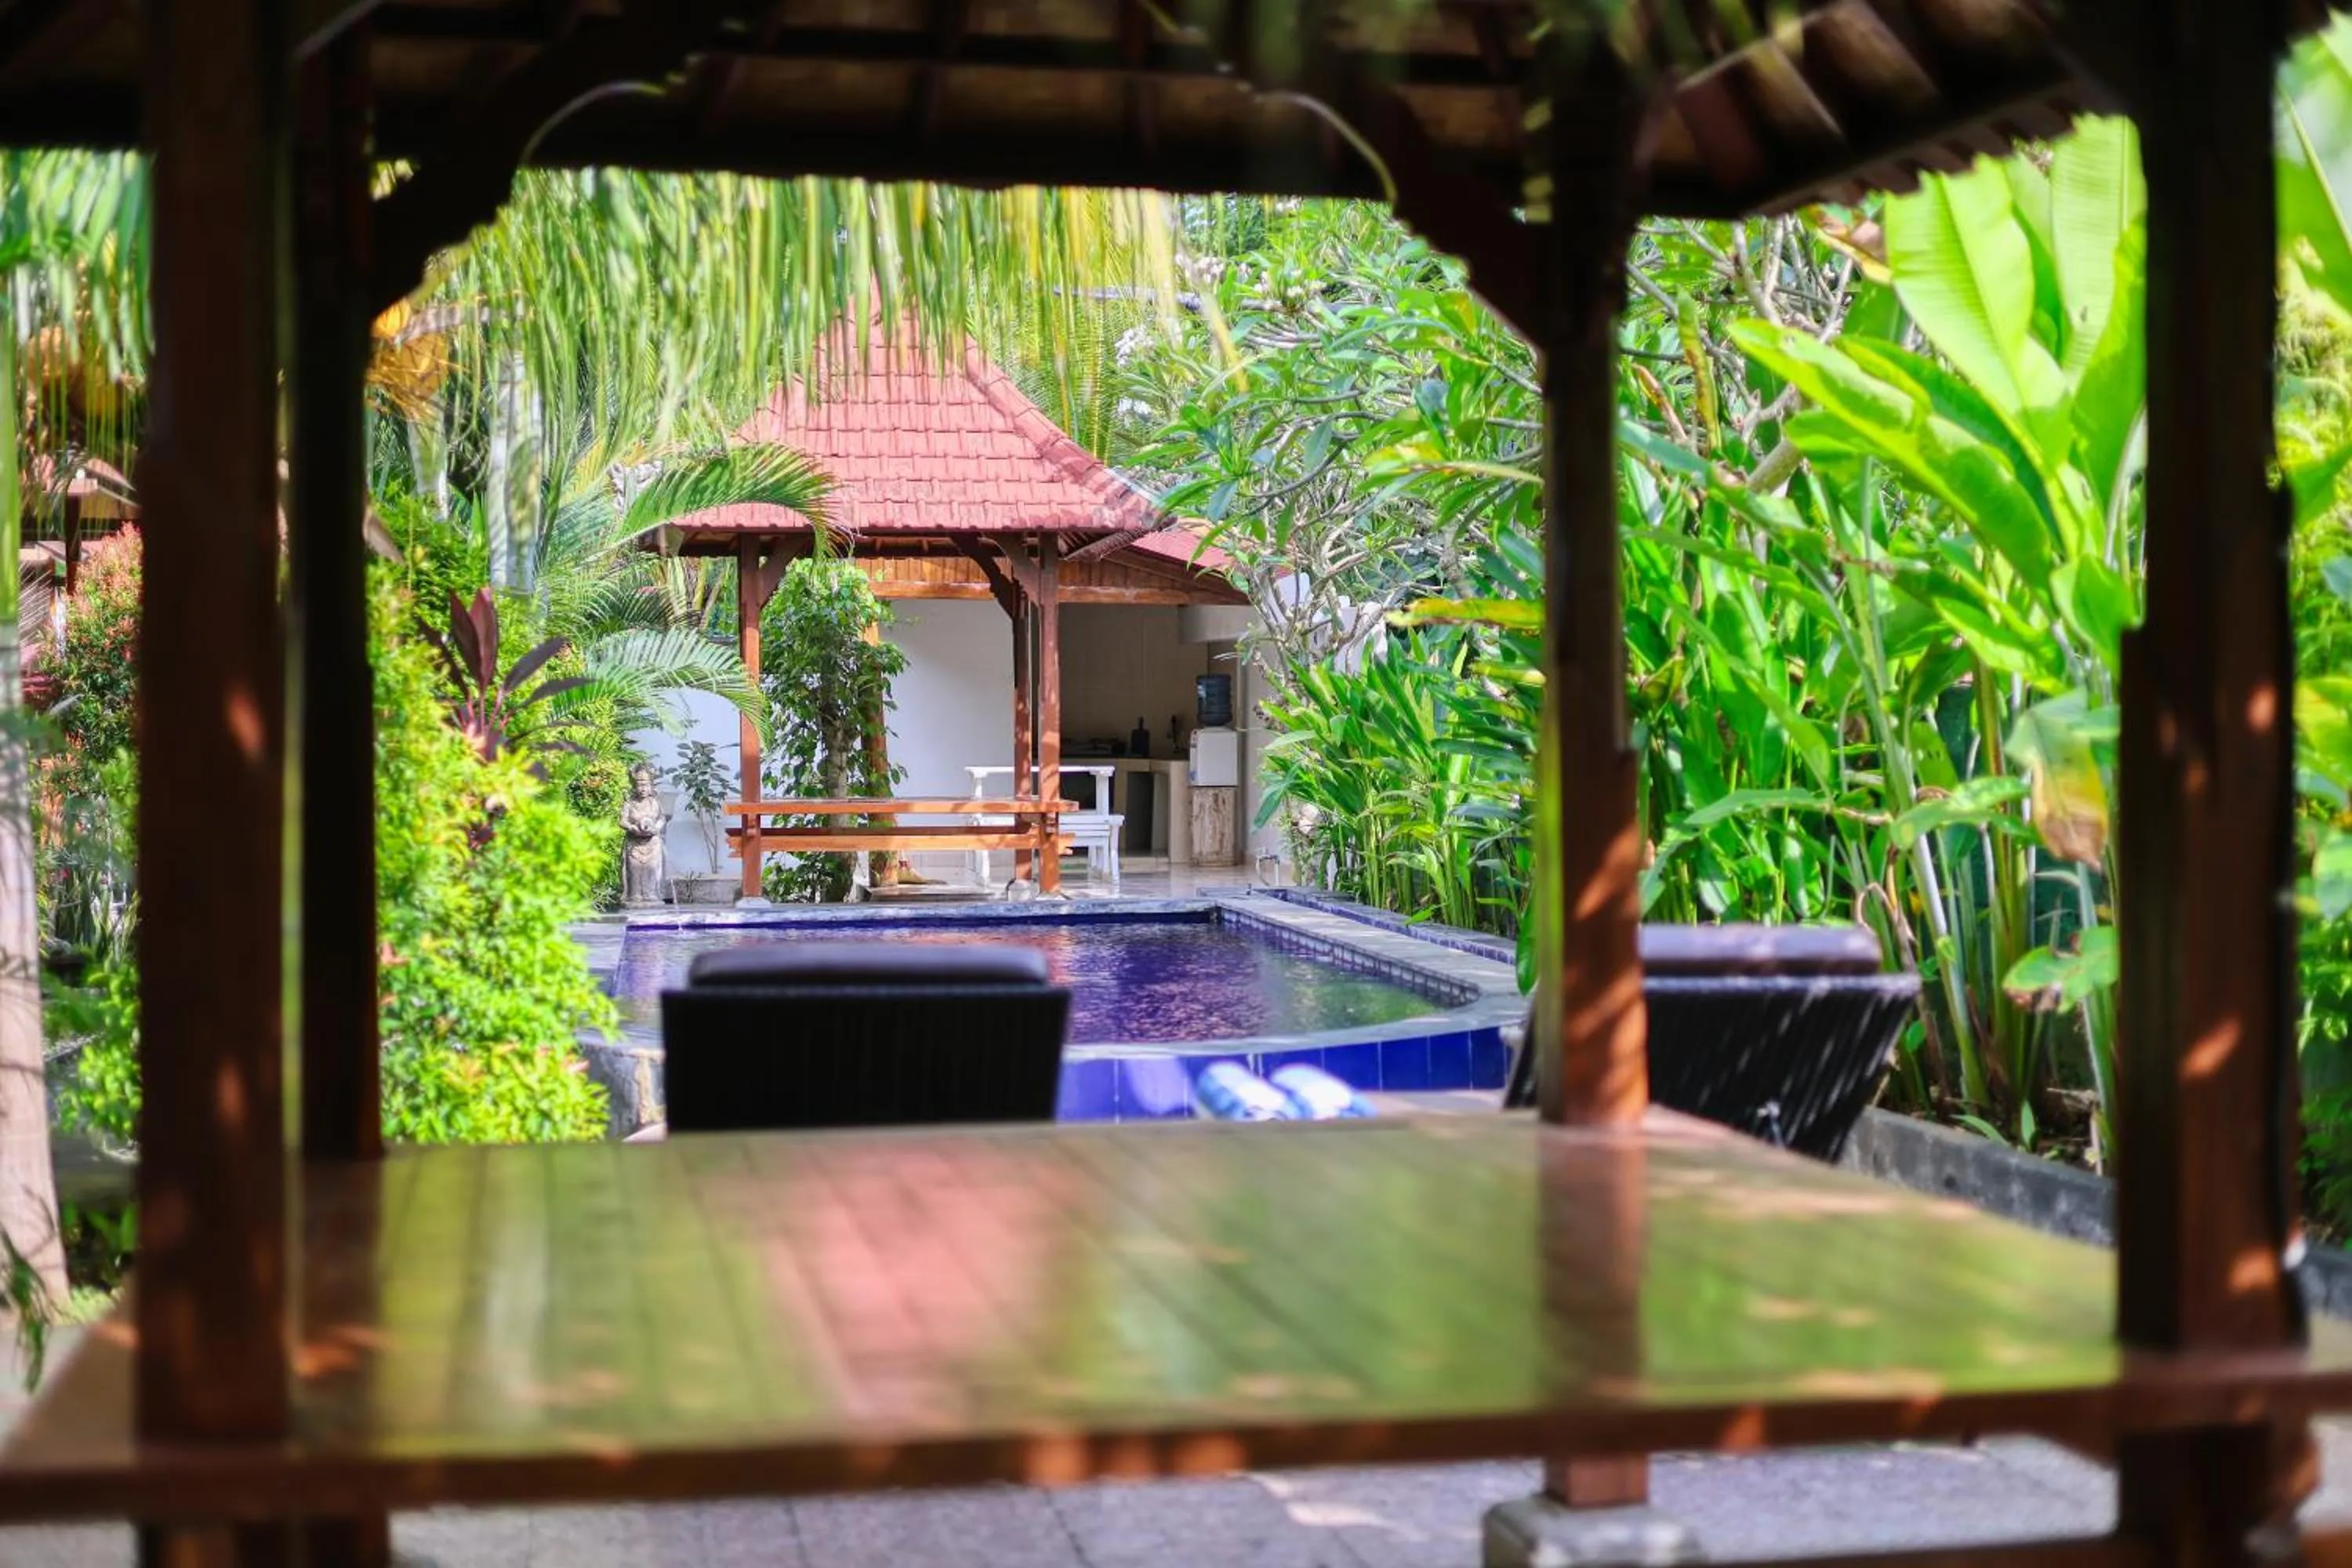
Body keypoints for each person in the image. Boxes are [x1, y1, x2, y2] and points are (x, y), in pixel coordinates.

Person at [619, 763, 670, 906]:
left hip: (652, 843)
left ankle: (651, 894)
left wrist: (657, 828)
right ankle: (634, 895)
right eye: (640, 785)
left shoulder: (654, 802)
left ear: (651, 786)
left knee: (652, 870)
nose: (643, 789)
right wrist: (632, 828)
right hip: (634, 844)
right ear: (634, 787)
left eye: (646, 785)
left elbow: (662, 818)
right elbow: (622, 821)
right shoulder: (630, 803)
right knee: (634, 870)